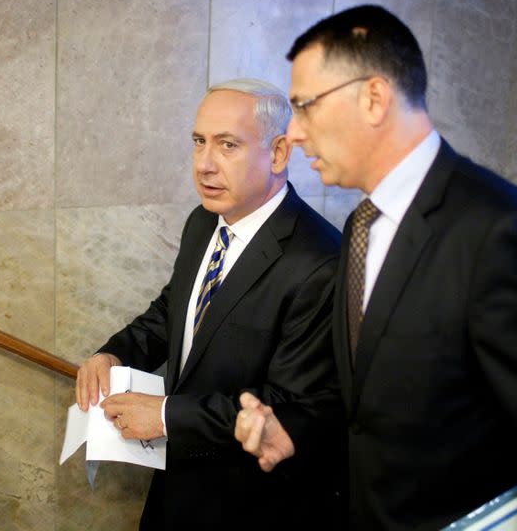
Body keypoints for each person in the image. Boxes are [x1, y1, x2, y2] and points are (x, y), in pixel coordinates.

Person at [235, 5, 517, 530]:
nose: (294, 134)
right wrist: (295, 432)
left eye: (305, 106)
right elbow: (367, 406)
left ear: (375, 98)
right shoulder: (360, 225)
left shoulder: (499, 231)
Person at [75, 78, 344, 530]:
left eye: (227, 145)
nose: (204, 165)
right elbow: (174, 310)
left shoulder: (320, 262)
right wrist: (115, 352)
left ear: (279, 153)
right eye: (199, 142)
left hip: (253, 506)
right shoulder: (203, 221)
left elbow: (291, 407)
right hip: (176, 492)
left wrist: (164, 416)